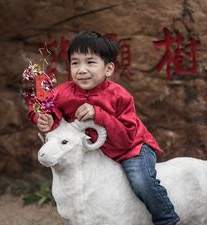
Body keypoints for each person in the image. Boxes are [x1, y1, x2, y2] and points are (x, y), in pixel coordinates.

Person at [28, 31, 180, 225]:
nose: (81, 70)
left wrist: (99, 115)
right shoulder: (62, 92)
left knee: (141, 181)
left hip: (130, 149)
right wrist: (43, 118)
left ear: (108, 69)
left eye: (90, 62)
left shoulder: (119, 96)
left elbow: (125, 138)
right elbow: (41, 106)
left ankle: (166, 218)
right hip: (96, 152)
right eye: (75, 63)